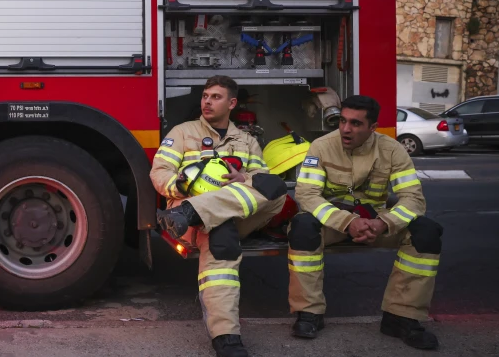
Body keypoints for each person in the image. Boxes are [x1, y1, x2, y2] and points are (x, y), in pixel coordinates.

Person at [287, 95, 442, 350]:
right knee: (302, 228)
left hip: (376, 223)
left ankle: (402, 318)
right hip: (334, 223)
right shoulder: (321, 146)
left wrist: (384, 223)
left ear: (372, 128)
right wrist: (347, 222)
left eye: (356, 124)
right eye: (342, 121)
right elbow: (307, 195)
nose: (346, 129)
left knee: (426, 232)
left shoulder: (393, 150)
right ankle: (309, 313)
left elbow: (413, 198)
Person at [151, 75, 287, 357]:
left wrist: (243, 177)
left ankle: (194, 212)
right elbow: (159, 172)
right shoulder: (182, 132)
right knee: (221, 236)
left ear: (232, 103)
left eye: (216, 97)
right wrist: (180, 184)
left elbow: (261, 179)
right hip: (196, 220)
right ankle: (226, 336)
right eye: (205, 96)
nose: (207, 102)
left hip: (211, 213)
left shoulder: (247, 141)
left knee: (274, 186)